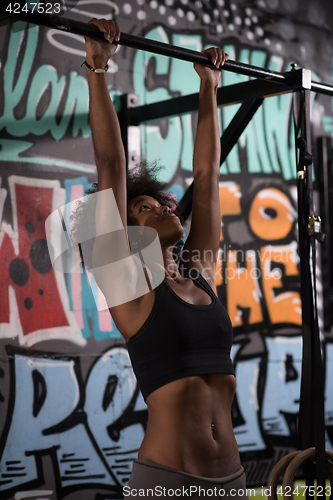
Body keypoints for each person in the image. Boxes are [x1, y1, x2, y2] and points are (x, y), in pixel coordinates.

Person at [83, 18, 248, 500]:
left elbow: (207, 176)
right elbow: (110, 166)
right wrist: (97, 68)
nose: (165, 207)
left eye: (164, 203)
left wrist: (208, 88)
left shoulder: (201, 275)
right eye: (146, 208)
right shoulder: (127, 288)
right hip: (169, 482)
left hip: (233, 480)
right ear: (127, 234)